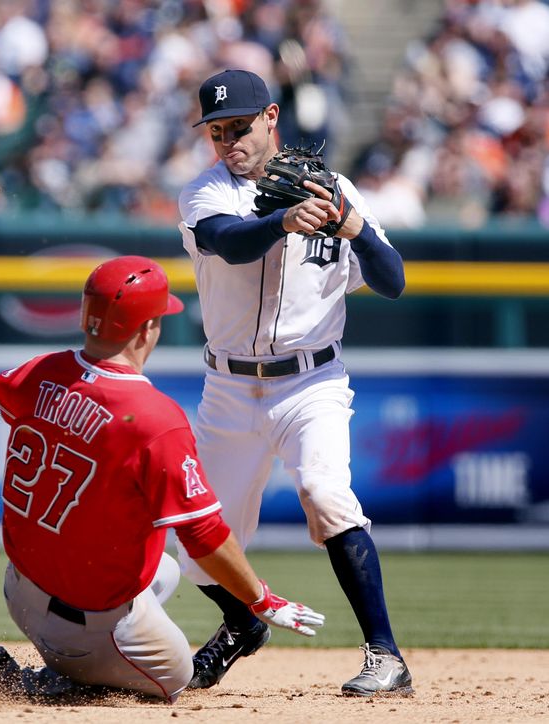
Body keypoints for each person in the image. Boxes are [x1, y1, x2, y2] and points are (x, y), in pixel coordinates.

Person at [0, 255, 324, 703]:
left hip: (19, 590)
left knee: (162, 570)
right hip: (86, 625)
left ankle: (74, 660)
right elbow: (203, 534)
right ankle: (37, 681)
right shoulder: (154, 419)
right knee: (176, 676)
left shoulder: (41, 370)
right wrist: (261, 600)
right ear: (146, 330)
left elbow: (3, 391)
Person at [176, 69, 412, 697]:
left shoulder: (334, 190)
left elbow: (393, 281)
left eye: (241, 128)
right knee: (196, 544)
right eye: (218, 132)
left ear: (271, 118)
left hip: (312, 383)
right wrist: (284, 219)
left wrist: (352, 225)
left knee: (326, 496)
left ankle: (385, 656)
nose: (230, 143)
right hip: (227, 389)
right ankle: (242, 624)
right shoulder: (207, 192)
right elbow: (228, 242)